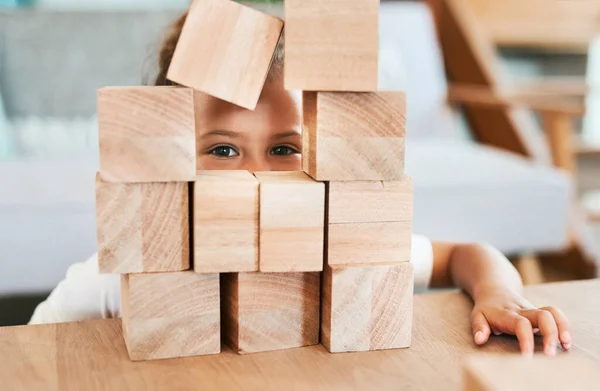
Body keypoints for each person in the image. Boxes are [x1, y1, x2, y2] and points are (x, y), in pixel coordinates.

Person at [30, 12, 571, 357]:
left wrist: (503, 293)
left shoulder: (334, 246)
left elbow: (465, 255)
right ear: (166, 158)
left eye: (284, 149)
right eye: (223, 150)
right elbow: (34, 345)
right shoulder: (122, 279)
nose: (257, 173)